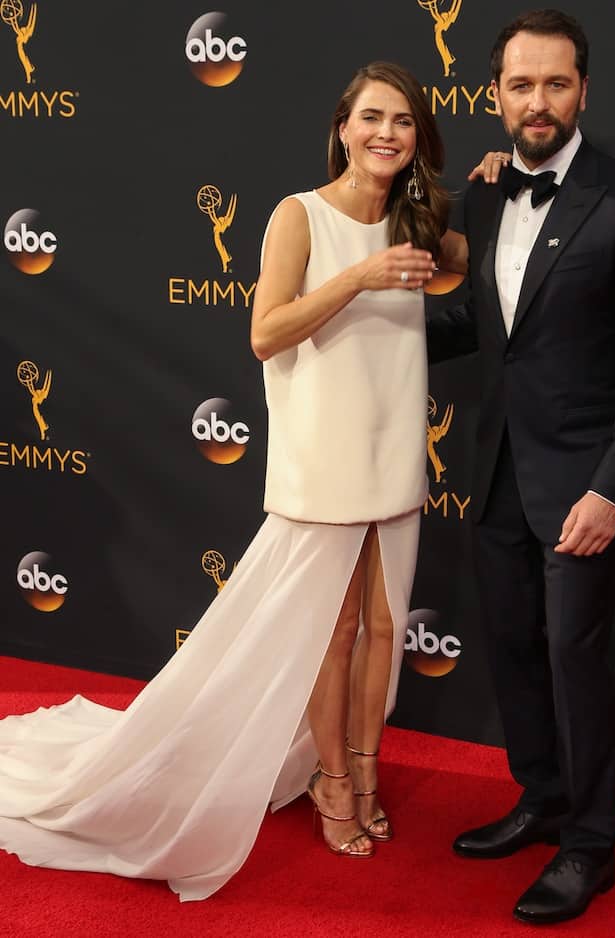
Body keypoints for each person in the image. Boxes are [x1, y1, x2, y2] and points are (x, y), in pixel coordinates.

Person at [0, 61, 462, 901]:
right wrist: (357, 276)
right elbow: (266, 333)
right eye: (371, 118)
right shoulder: (301, 215)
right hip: (322, 447)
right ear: (343, 126)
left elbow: (491, 252)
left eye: (402, 120)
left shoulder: (420, 219)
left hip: (394, 441)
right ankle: (330, 782)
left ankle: (365, 774)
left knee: (387, 625)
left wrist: (497, 182)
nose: (386, 133)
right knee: (337, 625)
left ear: (418, 137)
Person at [427, 9, 615, 926]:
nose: (538, 102)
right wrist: (369, 328)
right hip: (494, 471)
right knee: (516, 651)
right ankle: (540, 798)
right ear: (495, 95)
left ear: (584, 91)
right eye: (521, 85)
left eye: (556, 83)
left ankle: (590, 845)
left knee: (577, 659)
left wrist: (613, 487)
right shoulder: (485, 195)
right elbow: (486, 328)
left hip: (582, 481)